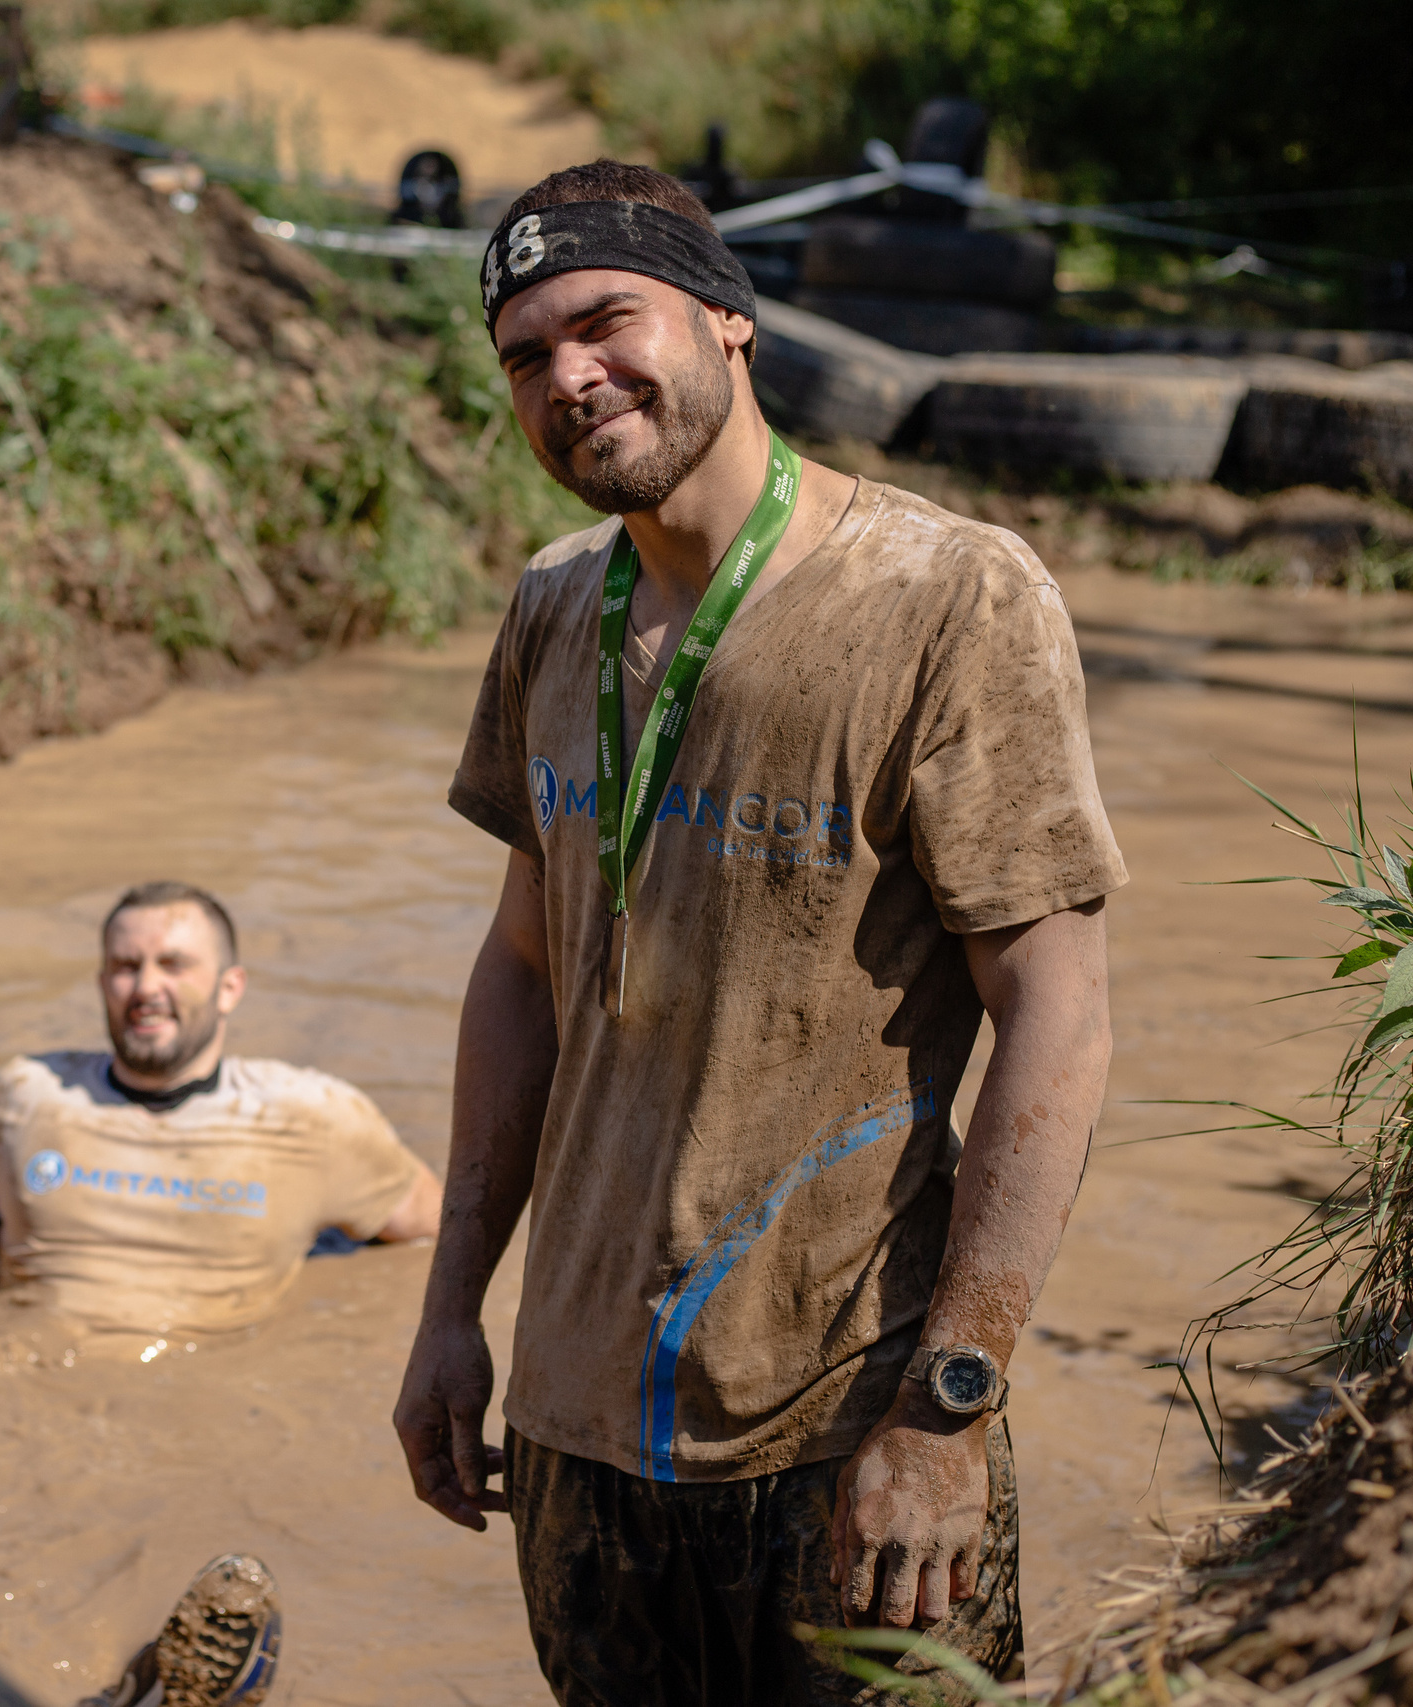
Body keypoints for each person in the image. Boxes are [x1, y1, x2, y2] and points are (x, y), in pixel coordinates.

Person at [391, 161, 1124, 1704]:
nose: (568, 377)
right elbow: (522, 971)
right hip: (579, 1430)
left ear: (727, 320)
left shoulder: (948, 599)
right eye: (524, 355)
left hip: (843, 1428)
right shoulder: (548, 609)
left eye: (604, 321)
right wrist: (451, 1307)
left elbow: (1059, 1011)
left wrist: (951, 1409)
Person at [0, 881, 441, 1339]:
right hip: (25, 1374)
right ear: (102, 984)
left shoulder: (314, 1117)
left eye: (173, 964)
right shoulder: (26, 1097)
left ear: (229, 988)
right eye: (125, 967)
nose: (146, 988)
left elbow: (434, 1230)